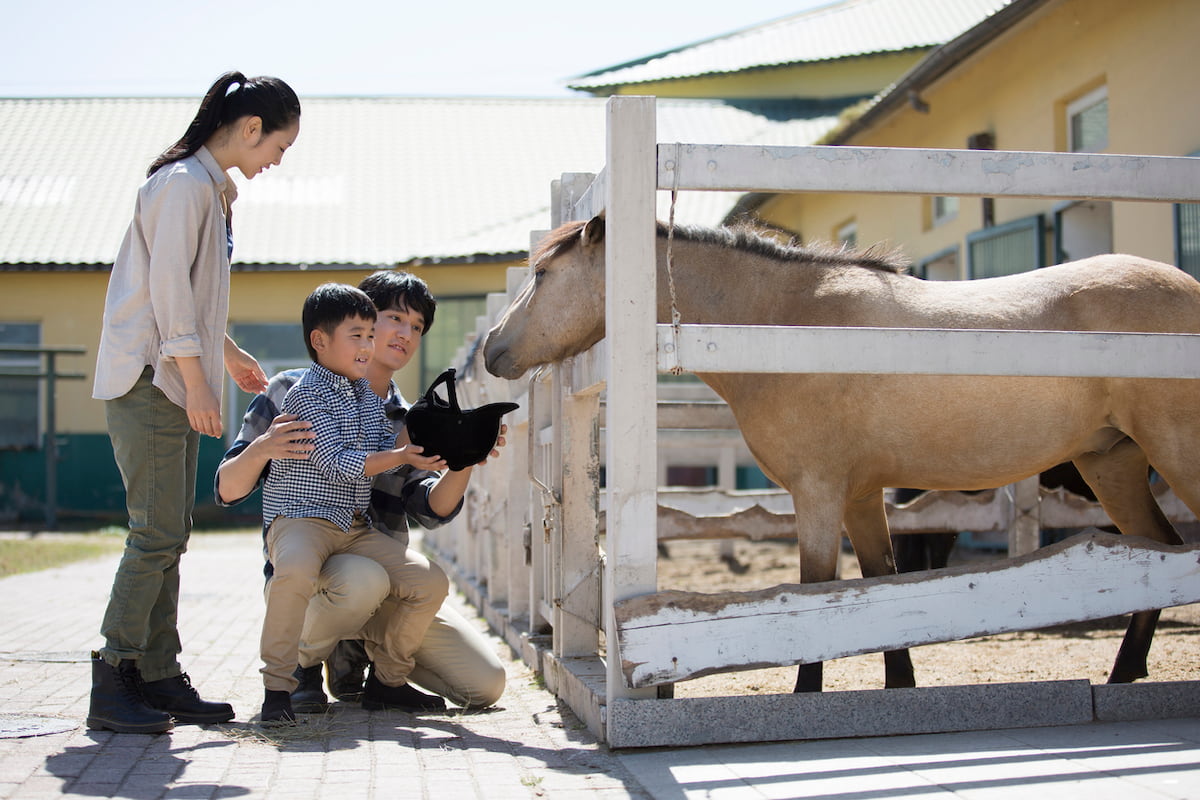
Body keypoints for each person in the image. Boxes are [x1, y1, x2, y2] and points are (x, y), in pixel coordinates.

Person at [88, 71, 300, 734]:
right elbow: (167, 296)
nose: (276, 161)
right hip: (152, 382)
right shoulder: (182, 185)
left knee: (169, 538)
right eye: (279, 146)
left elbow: (191, 294)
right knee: (155, 535)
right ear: (249, 128)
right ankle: (112, 677)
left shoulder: (210, 189)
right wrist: (198, 377)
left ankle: (155, 676)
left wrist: (226, 355)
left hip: (172, 378)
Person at [215, 271, 506, 718]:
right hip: (321, 566)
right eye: (392, 319)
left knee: (485, 682)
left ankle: (382, 679)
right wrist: (261, 449)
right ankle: (297, 669)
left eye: (416, 327)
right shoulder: (292, 391)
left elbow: (430, 508)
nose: (404, 334)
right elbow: (227, 489)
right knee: (358, 580)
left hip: (375, 564)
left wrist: (464, 456)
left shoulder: (403, 415)